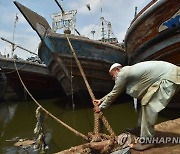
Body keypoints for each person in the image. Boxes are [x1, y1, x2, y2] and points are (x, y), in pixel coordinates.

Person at [94, 61, 180, 150]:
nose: (114, 78)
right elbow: (114, 91)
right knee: (145, 102)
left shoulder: (122, 74)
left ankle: (147, 141)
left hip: (169, 78)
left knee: (149, 106)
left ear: (117, 69)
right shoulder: (128, 71)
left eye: (113, 75)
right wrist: (101, 100)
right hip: (168, 74)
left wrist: (101, 107)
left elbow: (115, 92)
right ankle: (140, 129)